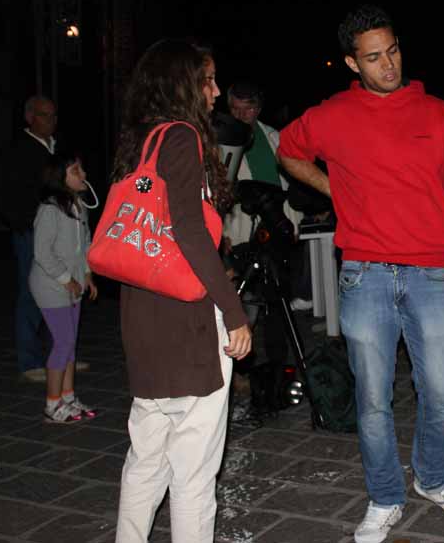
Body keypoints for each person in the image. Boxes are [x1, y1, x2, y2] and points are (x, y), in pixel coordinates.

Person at [277, 5, 444, 543]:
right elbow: (288, 151)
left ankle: (433, 477)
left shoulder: (439, 115)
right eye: (374, 57)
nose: (388, 64)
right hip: (364, 274)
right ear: (353, 63)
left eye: (393, 51)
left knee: (441, 389)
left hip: (431, 273)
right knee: (373, 398)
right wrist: (335, 189)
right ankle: (384, 496)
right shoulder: (333, 115)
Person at [112, 39, 252, 543]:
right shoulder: (183, 137)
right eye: (207, 80)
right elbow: (190, 232)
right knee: (193, 472)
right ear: (182, 84)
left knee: (146, 460)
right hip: (187, 324)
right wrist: (234, 313)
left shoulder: (141, 140)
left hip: (143, 320)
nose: (215, 92)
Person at [220, 81, 305, 308]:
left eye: (247, 108)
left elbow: (290, 183)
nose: (241, 115)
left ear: (258, 109)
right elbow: (217, 191)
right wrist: (221, 234)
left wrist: (296, 221)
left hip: (276, 226)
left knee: (278, 296)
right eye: (235, 108)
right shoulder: (220, 142)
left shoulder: (274, 137)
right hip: (240, 233)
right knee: (243, 301)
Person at [30, 151, 98, 423]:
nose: (83, 175)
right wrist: (66, 279)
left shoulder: (78, 206)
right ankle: (52, 404)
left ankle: (68, 398)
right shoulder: (50, 209)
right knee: (63, 343)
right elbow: (42, 253)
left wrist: (87, 273)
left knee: (69, 344)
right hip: (51, 285)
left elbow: (85, 243)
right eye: (75, 171)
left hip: (73, 283)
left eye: (81, 169)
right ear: (60, 177)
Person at [0, 95, 59, 383]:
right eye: (45, 115)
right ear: (30, 117)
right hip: (32, 231)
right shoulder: (19, 150)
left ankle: (60, 355)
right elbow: (8, 193)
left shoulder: (55, 147)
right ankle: (29, 359)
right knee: (32, 291)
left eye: (53, 115)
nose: (51, 121)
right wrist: (22, 224)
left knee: (59, 292)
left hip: (58, 229)